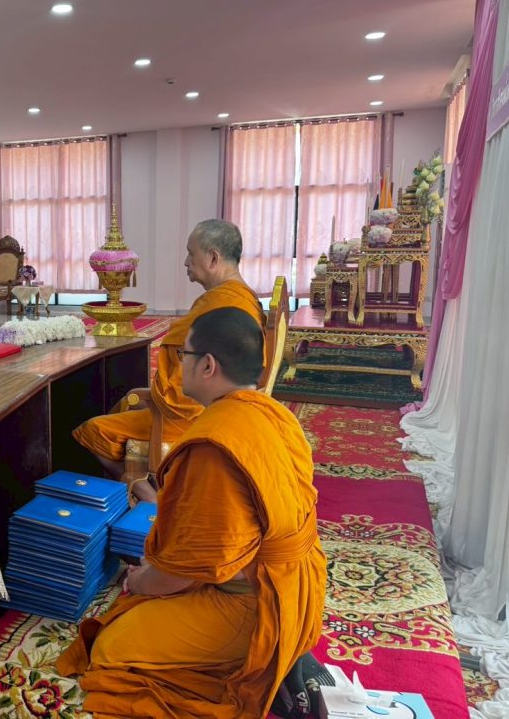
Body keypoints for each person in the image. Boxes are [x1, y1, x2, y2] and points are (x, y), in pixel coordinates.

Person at [57, 307, 327, 719]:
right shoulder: (275, 413)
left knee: (110, 647)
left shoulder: (215, 444)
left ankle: (259, 662)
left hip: (259, 606)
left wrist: (142, 580)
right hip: (298, 582)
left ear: (207, 365)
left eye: (183, 355)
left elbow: (191, 568)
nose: (176, 366)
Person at [73, 219, 265, 484]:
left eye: (190, 254)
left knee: (93, 430)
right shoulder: (241, 297)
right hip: (224, 406)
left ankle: (139, 488)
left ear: (213, 258)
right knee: (127, 402)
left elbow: (179, 394)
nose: (186, 262)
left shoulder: (222, 302)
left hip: (195, 416)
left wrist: (156, 397)